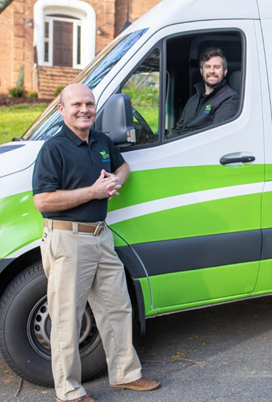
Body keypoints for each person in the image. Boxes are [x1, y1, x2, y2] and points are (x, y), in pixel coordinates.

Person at [32, 84, 160, 402]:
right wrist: (93, 192)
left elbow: (123, 166)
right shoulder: (54, 148)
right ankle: (69, 390)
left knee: (117, 307)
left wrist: (118, 178)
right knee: (67, 317)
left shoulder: (101, 140)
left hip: (100, 236)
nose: (85, 109)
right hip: (68, 238)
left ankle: (125, 375)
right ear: (62, 111)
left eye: (89, 103)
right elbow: (43, 200)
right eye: (76, 104)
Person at [174, 47, 239, 132]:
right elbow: (179, 130)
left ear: (225, 71)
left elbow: (218, 135)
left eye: (216, 67)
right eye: (207, 67)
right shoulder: (193, 99)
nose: (211, 71)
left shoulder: (229, 98)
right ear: (201, 71)